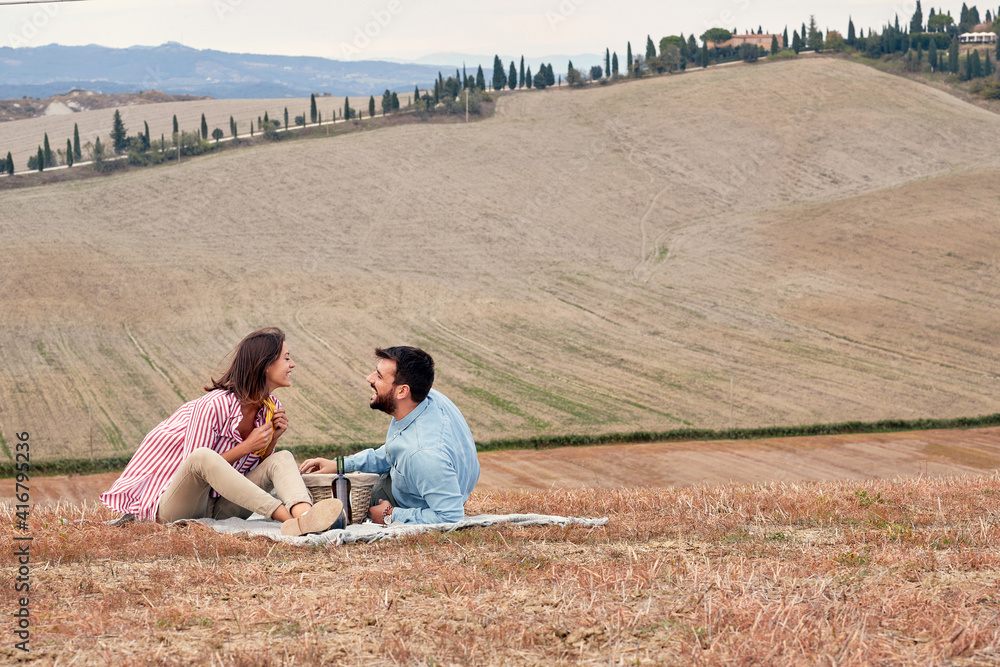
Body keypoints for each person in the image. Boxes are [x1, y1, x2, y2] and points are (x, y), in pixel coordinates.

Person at [100, 327, 345, 536]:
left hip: (219, 507)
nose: (293, 365)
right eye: (287, 358)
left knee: (282, 457)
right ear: (265, 365)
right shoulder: (214, 405)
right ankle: (289, 520)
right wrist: (247, 446)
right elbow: (194, 468)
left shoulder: (271, 409)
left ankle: (306, 515)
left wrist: (271, 442)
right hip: (175, 507)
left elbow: (245, 474)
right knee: (202, 456)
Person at [300, 346, 479, 525]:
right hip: (418, 482)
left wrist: (390, 514)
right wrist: (340, 465)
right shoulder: (425, 399)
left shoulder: (423, 454)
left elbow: (450, 517)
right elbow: (395, 451)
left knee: (321, 500)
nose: (369, 378)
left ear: (402, 391)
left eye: (379, 376)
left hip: (416, 502)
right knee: (317, 483)